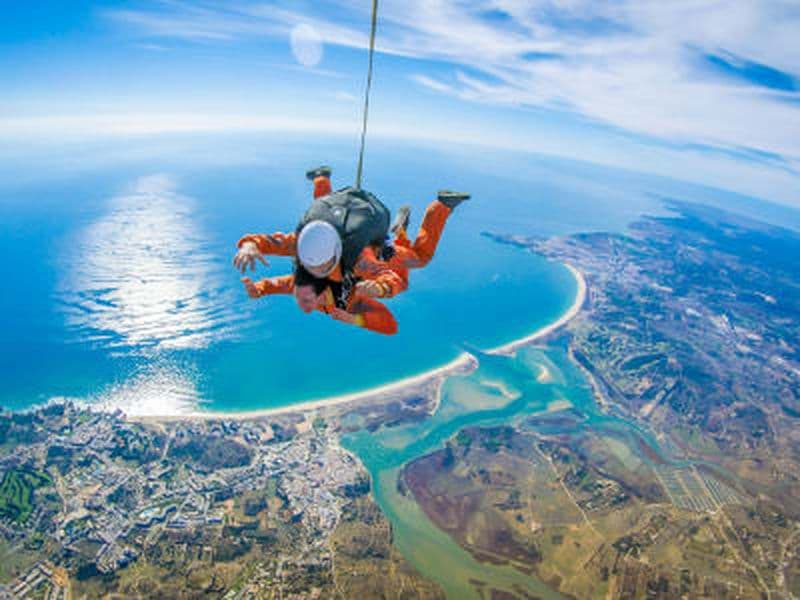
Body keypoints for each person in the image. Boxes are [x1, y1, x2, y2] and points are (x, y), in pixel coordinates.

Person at [234, 166, 469, 333]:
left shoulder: (358, 261)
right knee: (325, 212)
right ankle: (321, 178)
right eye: (303, 300)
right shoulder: (305, 253)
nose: (304, 306)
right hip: (347, 241)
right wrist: (251, 250)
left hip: (381, 255)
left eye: (302, 300)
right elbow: (388, 324)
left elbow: (389, 276)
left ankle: (440, 206)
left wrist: (381, 288)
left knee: (419, 258)